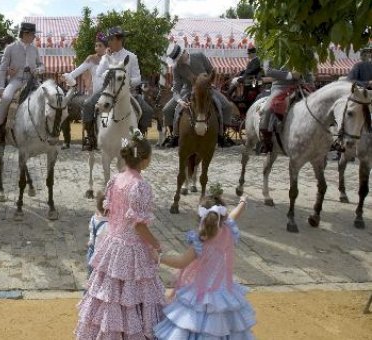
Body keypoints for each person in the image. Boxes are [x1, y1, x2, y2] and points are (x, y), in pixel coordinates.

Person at [75, 128, 166, 339]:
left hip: (112, 245)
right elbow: (139, 225)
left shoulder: (115, 180)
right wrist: (156, 244)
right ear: (144, 160)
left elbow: (108, 210)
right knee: (133, 297)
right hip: (132, 250)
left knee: (111, 296)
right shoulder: (140, 186)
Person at [154, 188, 256, 339]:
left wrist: (159, 257)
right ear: (222, 217)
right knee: (226, 329)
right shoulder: (228, 230)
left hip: (199, 293)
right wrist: (242, 201)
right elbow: (236, 214)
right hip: (224, 293)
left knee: (191, 326)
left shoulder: (200, 240)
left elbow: (181, 262)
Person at [79, 27, 142, 151]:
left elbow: (138, 78)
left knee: (145, 110)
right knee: (87, 105)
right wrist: (107, 64)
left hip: (125, 91)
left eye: (110, 40)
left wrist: (127, 81)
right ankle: (90, 137)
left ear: (119, 40)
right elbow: (98, 73)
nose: (108, 43)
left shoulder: (132, 57)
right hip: (107, 90)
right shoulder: (106, 57)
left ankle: (138, 139)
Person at [162, 43, 233, 147]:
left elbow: (211, 70)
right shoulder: (176, 68)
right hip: (188, 91)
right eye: (177, 59)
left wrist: (209, 82)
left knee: (227, 106)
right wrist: (180, 101)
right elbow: (176, 88)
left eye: (179, 58)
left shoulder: (199, 56)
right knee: (167, 110)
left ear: (184, 53)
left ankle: (222, 135)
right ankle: (175, 136)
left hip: (207, 89)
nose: (179, 61)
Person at [0, 22, 45, 145]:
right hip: (16, 80)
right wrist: (1, 86)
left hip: (32, 80)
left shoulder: (34, 49)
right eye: (33, 34)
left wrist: (39, 70)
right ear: (25, 34)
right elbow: (1, 68)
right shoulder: (10, 48)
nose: (34, 37)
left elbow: (41, 64)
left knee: (47, 96)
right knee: (6, 97)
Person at [62, 31, 108, 150]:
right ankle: (90, 137)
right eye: (96, 45)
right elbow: (76, 72)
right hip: (97, 94)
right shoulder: (91, 59)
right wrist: (67, 76)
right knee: (87, 104)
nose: (97, 48)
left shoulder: (113, 59)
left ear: (106, 47)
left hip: (112, 91)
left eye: (100, 46)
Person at [258, 63, 308, 154]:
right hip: (280, 87)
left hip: (299, 85)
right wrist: (290, 75)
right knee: (267, 110)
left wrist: (302, 72)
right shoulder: (269, 52)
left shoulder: (299, 49)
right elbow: (268, 71)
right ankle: (266, 140)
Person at [85, 190, 108, 278]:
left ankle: (88, 290)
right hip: (103, 257)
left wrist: (90, 241)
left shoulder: (94, 219)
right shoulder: (110, 224)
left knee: (91, 279)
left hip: (92, 255)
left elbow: (92, 232)